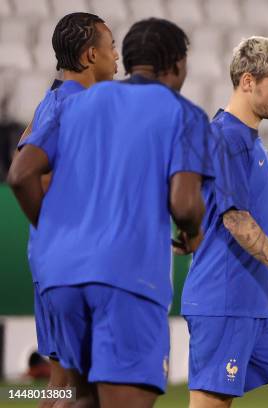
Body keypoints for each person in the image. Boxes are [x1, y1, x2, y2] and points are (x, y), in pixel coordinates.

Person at [8, 18, 210, 408]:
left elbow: (20, 172)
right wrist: (192, 231)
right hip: (125, 276)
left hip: (60, 274)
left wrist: (53, 229)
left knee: (73, 395)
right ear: (177, 64)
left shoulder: (72, 104)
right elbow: (184, 204)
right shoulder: (182, 113)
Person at [180, 36, 268, 408]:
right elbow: (237, 221)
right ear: (248, 81)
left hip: (259, 301)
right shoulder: (226, 136)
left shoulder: (248, 140)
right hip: (225, 299)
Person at [13, 12, 117, 406]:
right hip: (70, 264)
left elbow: (28, 156)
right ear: (91, 55)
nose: (117, 56)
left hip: (58, 261)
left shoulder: (53, 101)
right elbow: (24, 175)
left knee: (66, 385)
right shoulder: (73, 106)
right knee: (85, 388)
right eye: (111, 48)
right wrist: (60, 231)